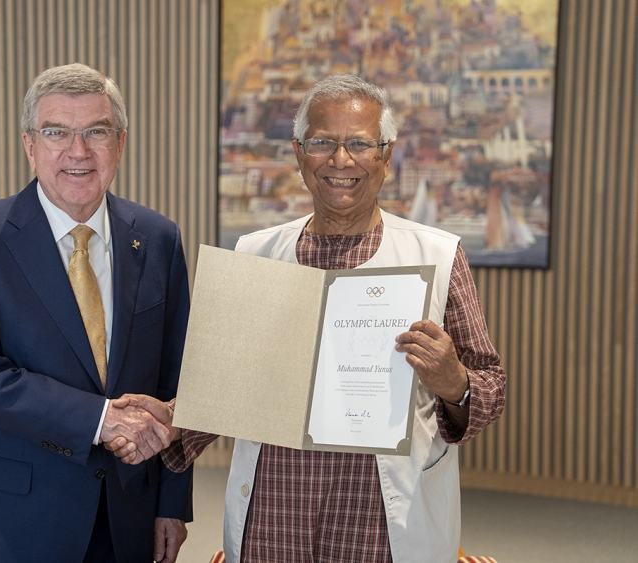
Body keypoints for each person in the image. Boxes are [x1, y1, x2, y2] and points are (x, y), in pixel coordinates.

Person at [108, 74, 507, 563]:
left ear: (385, 155)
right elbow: (228, 388)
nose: (341, 160)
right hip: (274, 517)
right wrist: (174, 420)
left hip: (381, 522)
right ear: (299, 154)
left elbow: (490, 387)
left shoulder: (439, 255)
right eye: (323, 143)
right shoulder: (255, 253)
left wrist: (455, 382)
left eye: (359, 143)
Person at [0, 63, 193, 563]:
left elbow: (178, 379)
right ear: (30, 145)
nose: (78, 151)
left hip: (127, 518)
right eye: (57, 132)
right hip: (10, 520)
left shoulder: (159, 238)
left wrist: (172, 505)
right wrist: (101, 419)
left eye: (96, 131)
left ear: (120, 143)